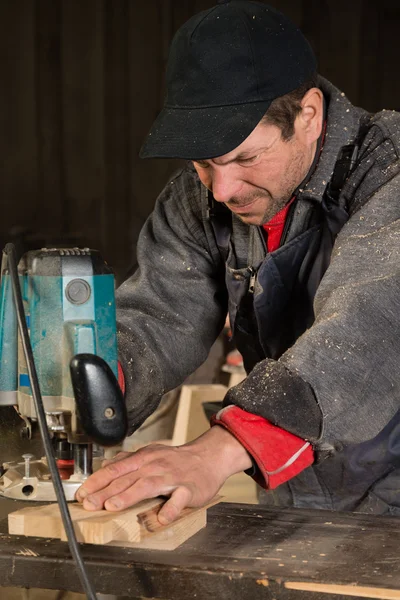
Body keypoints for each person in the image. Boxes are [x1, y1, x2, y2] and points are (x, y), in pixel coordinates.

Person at [76, 0, 400, 522]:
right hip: (297, 493)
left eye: (246, 158)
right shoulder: (199, 198)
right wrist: (91, 381)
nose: (223, 189)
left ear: (309, 116)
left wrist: (216, 451)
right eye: (204, 163)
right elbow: (161, 315)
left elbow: (372, 332)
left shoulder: (389, 172)